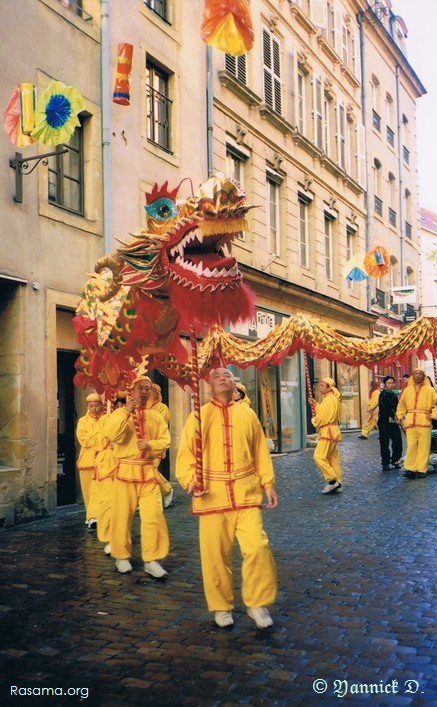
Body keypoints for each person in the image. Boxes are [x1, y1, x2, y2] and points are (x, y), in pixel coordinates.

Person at [176, 367, 278, 630]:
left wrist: (268, 484)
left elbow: (259, 453)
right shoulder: (198, 417)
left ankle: (257, 602)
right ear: (209, 385)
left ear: (235, 383)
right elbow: (186, 455)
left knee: (257, 547)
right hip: (211, 496)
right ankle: (221, 606)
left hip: (246, 493)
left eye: (227, 375)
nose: (223, 378)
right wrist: (190, 481)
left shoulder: (248, 414)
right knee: (215, 556)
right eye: (217, 376)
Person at [105, 375, 171, 576]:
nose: (144, 391)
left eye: (147, 388)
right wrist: (126, 413)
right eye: (140, 388)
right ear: (131, 391)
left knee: (154, 516)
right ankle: (121, 556)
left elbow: (165, 440)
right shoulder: (118, 414)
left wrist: (151, 446)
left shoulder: (156, 416)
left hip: (148, 472)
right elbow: (112, 435)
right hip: (125, 471)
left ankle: (151, 559)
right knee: (122, 516)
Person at [93, 395, 126, 556]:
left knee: (121, 506)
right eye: (118, 405)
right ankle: (107, 537)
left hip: (124, 465)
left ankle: (117, 539)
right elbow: (96, 439)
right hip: (106, 465)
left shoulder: (131, 419)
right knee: (107, 502)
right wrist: (108, 443)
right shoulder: (104, 419)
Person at [396, 369, 437, 479]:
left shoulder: (430, 390)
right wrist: (400, 417)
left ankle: (421, 469)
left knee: (424, 447)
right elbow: (401, 405)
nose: (418, 376)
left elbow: (436, 404)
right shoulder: (407, 390)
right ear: (412, 376)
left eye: (420, 374)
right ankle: (410, 468)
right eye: (416, 374)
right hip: (410, 422)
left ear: (423, 376)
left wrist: (433, 415)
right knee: (411, 446)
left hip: (424, 421)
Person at [76, 392, 106, 529]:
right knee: (88, 490)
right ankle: (91, 515)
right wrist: (99, 439)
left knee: (100, 490)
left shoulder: (106, 419)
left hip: (103, 460)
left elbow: (108, 436)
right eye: (91, 406)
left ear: (101, 406)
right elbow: (83, 440)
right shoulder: (83, 421)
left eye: (96, 406)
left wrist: (95, 438)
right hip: (87, 460)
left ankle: (98, 515)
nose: (93, 409)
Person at [311, 378, 343, 494]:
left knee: (319, 456)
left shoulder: (329, 399)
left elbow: (323, 417)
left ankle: (332, 480)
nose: (320, 388)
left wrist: (314, 420)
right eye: (320, 386)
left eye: (322, 386)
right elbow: (324, 412)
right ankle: (338, 483)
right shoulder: (331, 399)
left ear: (329, 387)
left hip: (327, 432)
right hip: (333, 430)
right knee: (333, 458)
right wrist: (315, 405)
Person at [147, 382, 174, 508]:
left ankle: (166, 489)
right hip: (142, 446)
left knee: (150, 469)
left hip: (156, 445)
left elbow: (160, 427)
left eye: (150, 391)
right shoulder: (143, 407)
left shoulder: (162, 408)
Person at [377, 376, 402, 471]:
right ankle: (385, 463)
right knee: (384, 443)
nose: (391, 385)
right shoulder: (383, 394)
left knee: (397, 442)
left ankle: (395, 460)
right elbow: (385, 408)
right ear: (385, 384)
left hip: (394, 422)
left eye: (392, 383)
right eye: (389, 383)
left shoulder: (393, 394)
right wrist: (394, 416)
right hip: (384, 422)